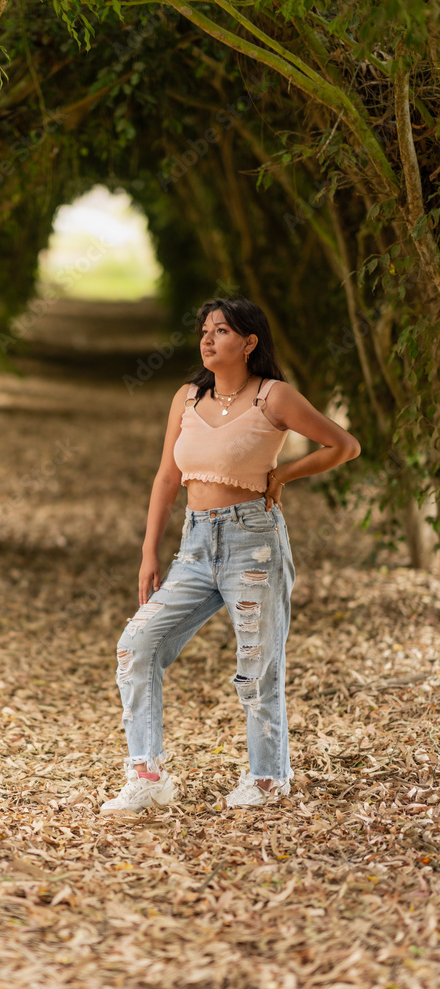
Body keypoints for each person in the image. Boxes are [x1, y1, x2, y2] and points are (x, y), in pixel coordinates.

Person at [101, 297, 361, 814]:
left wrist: (282, 475)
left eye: (221, 330)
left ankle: (267, 778)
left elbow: (343, 445)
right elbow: (166, 478)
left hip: (254, 541)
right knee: (137, 645)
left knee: (257, 664)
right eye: (204, 329)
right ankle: (147, 776)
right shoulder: (187, 397)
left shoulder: (274, 397)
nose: (207, 338)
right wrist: (149, 552)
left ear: (249, 342)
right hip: (195, 545)